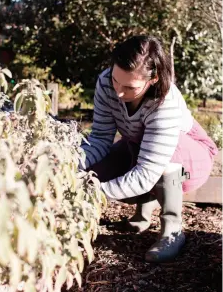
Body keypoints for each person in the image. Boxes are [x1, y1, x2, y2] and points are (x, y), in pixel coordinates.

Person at [79, 35, 218, 263]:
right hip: (140, 146)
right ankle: (141, 216)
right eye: (116, 80)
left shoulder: (165, 102)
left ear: (152, 79)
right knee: (98, 170)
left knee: (162, 161)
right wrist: (70, 167)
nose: (118, 92)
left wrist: (94, 194)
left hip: (191, 156)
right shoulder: (105, 82)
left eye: (129, 87)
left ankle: (172, 230)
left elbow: (146, 173)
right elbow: (100, 139)